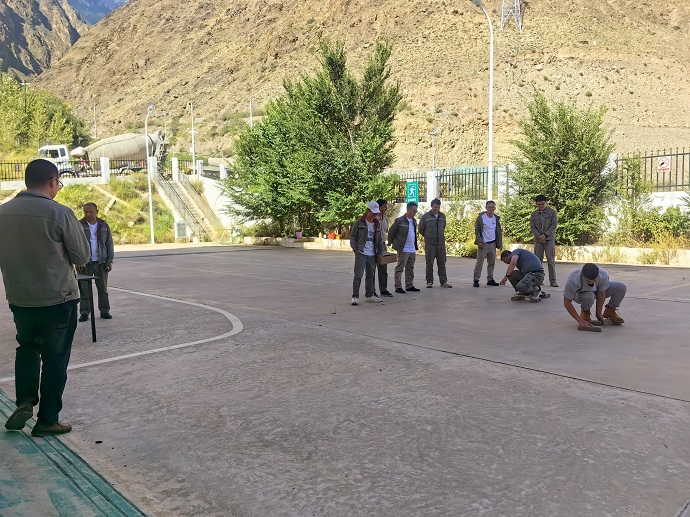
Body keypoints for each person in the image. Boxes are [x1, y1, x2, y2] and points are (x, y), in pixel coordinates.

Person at [0, 159, 91, 437]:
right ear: (52, 181)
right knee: (55, 360)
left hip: (21, 299)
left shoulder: (3, 213)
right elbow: (82, 256)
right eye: (58, 183)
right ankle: (47, 420)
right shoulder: (59, 213)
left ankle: (25, 401)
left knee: (27, 348)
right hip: (58, 300)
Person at [78, 202, 115, 321]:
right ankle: (85, 312)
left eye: (91, 212)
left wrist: (109, 261)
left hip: (101, 263)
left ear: (97, 212)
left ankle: (105, 311)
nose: (88, 214)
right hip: (85, 263)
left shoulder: (104, 225)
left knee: (103, 289)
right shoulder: (79, 225)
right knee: (84, 289)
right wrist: (77, 262)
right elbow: (75, 244)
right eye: (86, 212)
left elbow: (109, 243)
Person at [563, 263, 626, 329]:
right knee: (589, 296)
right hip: (581, 294)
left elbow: (601, 294)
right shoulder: (573, 280)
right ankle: (585, 312)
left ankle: (609, 311)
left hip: (596, 291)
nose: (591, 283)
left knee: (621, 287)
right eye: (588, 281)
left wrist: (598, 313)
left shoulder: (603, 275)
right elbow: (567, 302)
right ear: (582, 275)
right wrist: (580, 320)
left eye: (594, 280)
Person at [349, 201, 386, 305]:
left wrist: (381, 251)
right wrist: (355, 249)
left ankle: (369, 295)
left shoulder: (377, 223)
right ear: (368, 211)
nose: (375, 215)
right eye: (373, 213)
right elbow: (353, 236)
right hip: (361, 252)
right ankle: (355, 296)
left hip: (372, 253)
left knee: (371, 275)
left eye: (376, 213)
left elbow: (378, 239)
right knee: (358, 275)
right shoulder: (359, 222)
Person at [418, 198, 452, 288]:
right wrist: (428, 236)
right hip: (430, 244)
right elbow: (421, 229)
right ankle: (429, 282)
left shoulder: (442, 216)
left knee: (442, 263)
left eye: (438, 207)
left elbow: (443, 227)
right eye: (435, 207)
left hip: (440, 244)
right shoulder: (425, 217)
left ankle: (443, 282)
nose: (436, 209)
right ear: (431, 206)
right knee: (429, 263)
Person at [388, 202, 420, 294]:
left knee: (410, 268)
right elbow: (391, 231)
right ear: (409, 209)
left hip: (412, 248)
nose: (415, 212)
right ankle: (398, 286)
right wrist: (391, 242)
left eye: (416, 211)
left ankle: (409, 285)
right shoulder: (400, 220)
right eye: (414, 211)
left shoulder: (414, 221)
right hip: (403, 248)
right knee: (400, 267)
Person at [473, 200, 503, 287]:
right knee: (479, 263)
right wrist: (479, 241)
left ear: (495, 208)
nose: (491, 209)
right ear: (486, 208)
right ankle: (476, 279)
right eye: (489, 207)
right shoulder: (481, 218)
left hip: (492, 244)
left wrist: (500, 243)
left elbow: (498, 232)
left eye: (492, 207)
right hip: (483, 244)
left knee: (491, 263)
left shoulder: (496, 218)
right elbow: (477, 231)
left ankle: (490, 279)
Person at [530, 195, 559, 287]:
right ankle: (539, 280)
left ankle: (553, 281)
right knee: (538, 261)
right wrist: (539, 236)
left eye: (542, 204)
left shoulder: (552, 212)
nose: (541, 206)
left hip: (549, 240)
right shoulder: (534, 214)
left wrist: (545, 235)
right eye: (539, 204)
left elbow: (554, 225)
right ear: (536, 204)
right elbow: (532, 227)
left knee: (551, 261)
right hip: (538, 240)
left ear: (546, 203)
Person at [374, 199, 394, 297]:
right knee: (371, 269)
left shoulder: (385, 219)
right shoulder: (374, 218)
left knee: (383, 269)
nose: (386, 208)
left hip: (382, 245)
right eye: (384, 206)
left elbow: (385, 231)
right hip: (374, 245)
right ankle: (371, 290)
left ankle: (383, 289)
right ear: (379, 207)